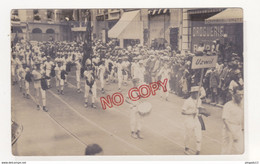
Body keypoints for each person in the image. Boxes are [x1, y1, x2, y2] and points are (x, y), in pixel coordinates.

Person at [221, 86, 244, 154]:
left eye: (242, 94)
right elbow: (225, 120)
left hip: (238, 129)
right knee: (226, 151)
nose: (241, 97)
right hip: (229, 130)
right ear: (234, 95)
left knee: (240, 150)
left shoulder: (241, 105)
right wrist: (233, 133)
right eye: (239, 95)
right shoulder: (228, 105)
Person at [182, 86, 203, 155]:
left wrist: (202, 112)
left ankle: (198, 150)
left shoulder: (199, 100)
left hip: (196, 119)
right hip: (189, 119)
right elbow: (183, 112)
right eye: (196, 93)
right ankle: (186, 148)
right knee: (188, 134)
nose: (198, 94)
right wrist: (191, 113)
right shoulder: (187, 101)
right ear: (192, 93)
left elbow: (199, 109)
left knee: (198, 134)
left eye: (198, 93)